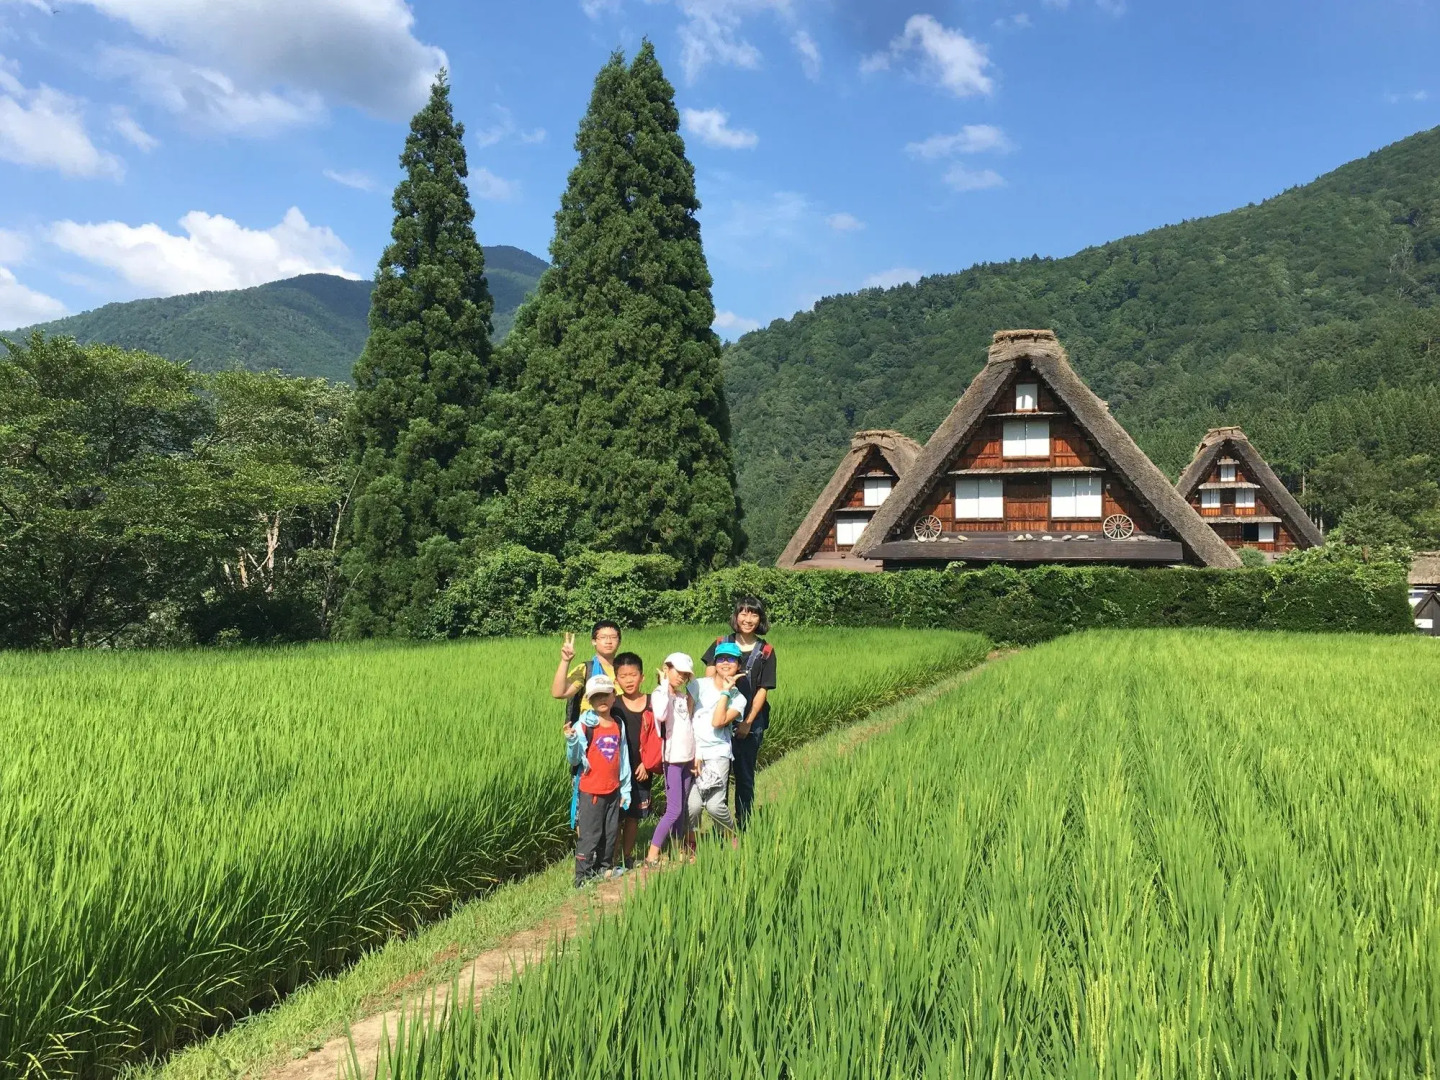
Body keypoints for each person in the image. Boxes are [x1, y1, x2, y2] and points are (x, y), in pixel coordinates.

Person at [702, 596, 776, 829]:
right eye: (743, 613)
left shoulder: (766, 650)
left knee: (745, 776)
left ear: (760, 618)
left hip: (750, 722)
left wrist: (748, 722)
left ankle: (743, 825)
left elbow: (763, 690)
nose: (748, 619)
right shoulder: (720, 642)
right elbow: (708, 678)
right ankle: (720, 827)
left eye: (754, 614)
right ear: (736, 616)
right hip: (719, 719)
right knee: (718, 775)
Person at [565, 673, 631, 886]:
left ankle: (604, 868)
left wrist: (626, 788)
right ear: (589, 700)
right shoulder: (583, 726)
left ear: (614, 696)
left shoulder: (618, 724)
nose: (602, 700)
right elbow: (574, 759)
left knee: (610, 832)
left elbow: (623, 758)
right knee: (590, 834)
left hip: (613, 789)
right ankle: (582, 876)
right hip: (591, 790)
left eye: (606, 695)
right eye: (596, 696)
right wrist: (573, 741)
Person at [687, 642, 745, 843]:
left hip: (718, 755)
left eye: (731, 659)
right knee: (693, 806)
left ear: (738, 665)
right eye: (721, 658)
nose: (725, 662)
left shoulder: (739, 699)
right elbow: (686, 717)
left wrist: (726, 692)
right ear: (715, 662)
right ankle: (691, 843)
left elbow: (717, 721)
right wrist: (692, 751)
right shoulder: (698, 685)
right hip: (694, 754)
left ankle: (731, 836)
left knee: (714, 806)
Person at [645, 653, 699, 866]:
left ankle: (678, 849)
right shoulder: (660, 693)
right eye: (678, 672)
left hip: (687, 758)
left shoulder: (681, 697)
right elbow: (660, 714)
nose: (681, 678)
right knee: (674, 808)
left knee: (683, 806)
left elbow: (689, 727)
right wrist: (664, 685)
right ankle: (652, 854)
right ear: (666, 668)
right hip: (672, 760)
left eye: (685, 675)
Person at [610, 651, 657, 869]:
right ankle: (611, 859)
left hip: (642, 769)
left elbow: (659, 736)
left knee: (633, 816)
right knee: (615, 816)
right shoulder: (613, 705)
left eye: (633, 674)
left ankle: (627, 856)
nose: (629, 680)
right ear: (616, 679)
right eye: (623, 676)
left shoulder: (652, 703)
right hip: (618, 770)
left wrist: (647, 764)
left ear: (642, 676)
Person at [551, 621, 623, 718]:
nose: (608, 641)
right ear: (593, 641)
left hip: (618, 727)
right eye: (603, 637)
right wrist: (565, 661)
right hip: (590, 729)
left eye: (613, 637)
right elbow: (559, 693)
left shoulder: (625, 670)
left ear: (619, 641)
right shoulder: (586, 669)